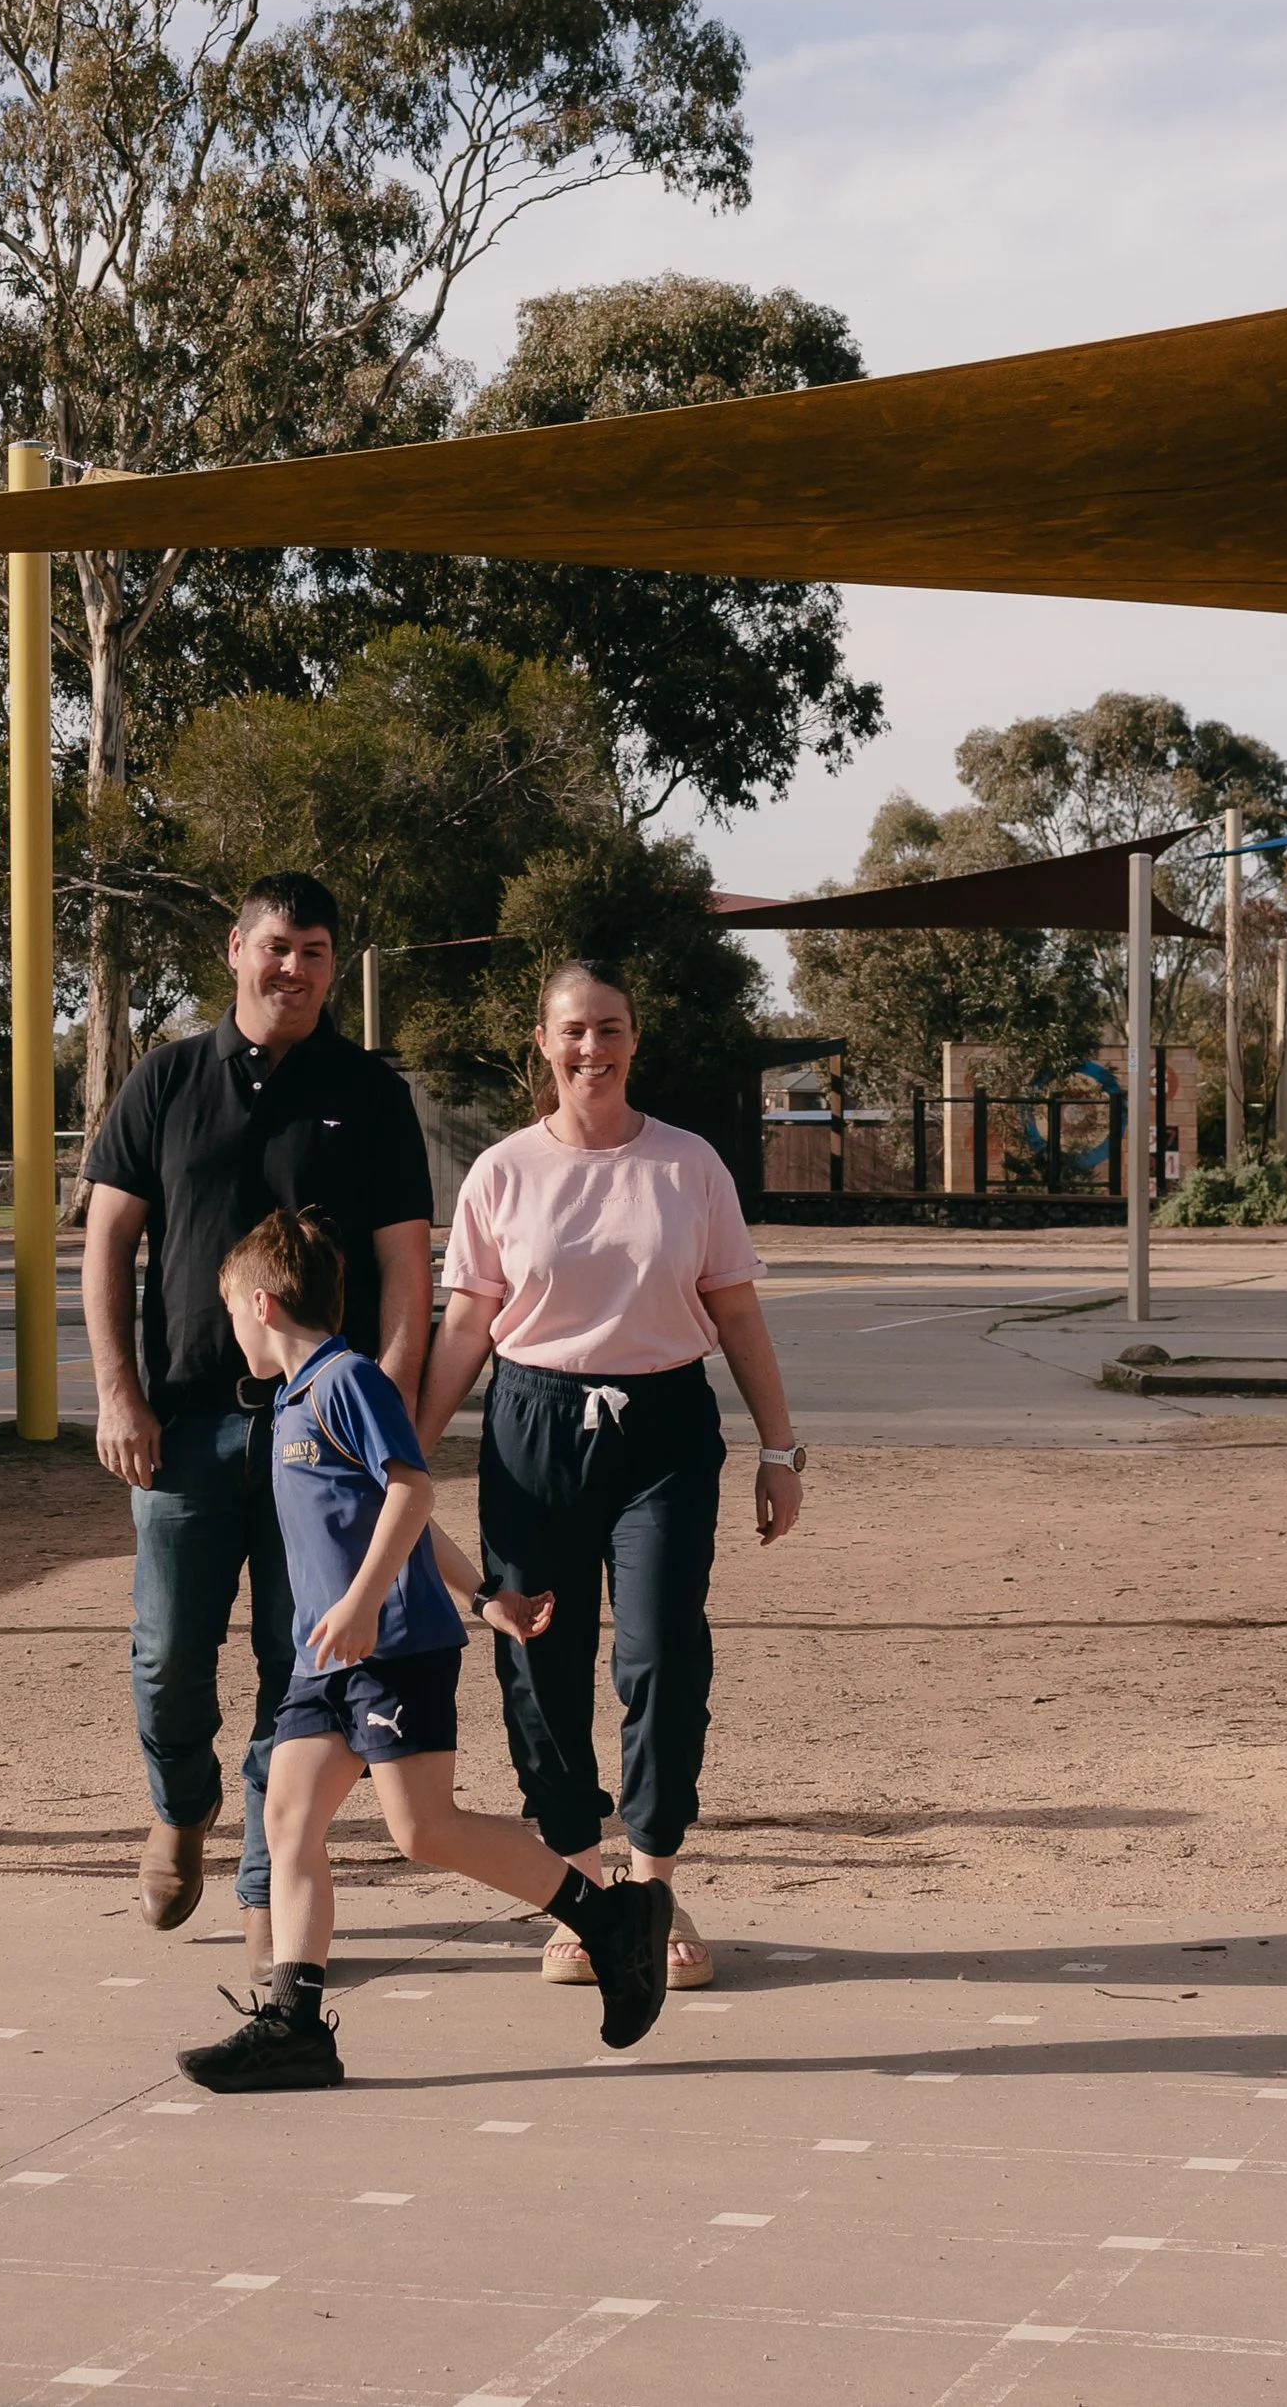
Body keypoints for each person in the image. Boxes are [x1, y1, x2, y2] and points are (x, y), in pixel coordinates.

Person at [175, 1208, 672, 2093]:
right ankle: (295, 2027)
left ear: (262, 1303)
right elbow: (392, 1513)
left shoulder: (346, 1381)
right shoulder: (293, 1398)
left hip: (393, 1648)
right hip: (325, 1656)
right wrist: (485, 1595)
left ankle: (609, 1919)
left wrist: (368, 1605)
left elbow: (410, 1489)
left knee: (424, 1830)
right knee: (287, 1820)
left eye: (229, 1313)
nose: (229, 1331)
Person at [415, 959, 805, 1995]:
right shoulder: (501, 1171)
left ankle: (654, 1881)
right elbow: (466, 1325)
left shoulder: (689, 1166)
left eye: (612, 1028)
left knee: (662, 1653)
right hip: (534, 1424)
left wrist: (778, 1448)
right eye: (574, 1030)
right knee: (538, 1654)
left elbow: (736, 1313)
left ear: (635, 1039)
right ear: (542, 1043)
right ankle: (582, 1897)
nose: (594, 1047)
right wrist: (404, 1455)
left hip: (665, 1428)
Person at [82, 871, 435, 1979]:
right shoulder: (166, 1079)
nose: (294, 968)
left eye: (316, 951)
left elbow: (403, 1271)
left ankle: (258, 1886)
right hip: (186, 1423)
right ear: (235, 949)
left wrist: (383, 1413)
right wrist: (117, 1392)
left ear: (334, 966)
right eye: (277, 946)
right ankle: (177, 1807)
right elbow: (106, 1244)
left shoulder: (370, 1092)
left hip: (319, 1441)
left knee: (302, 1668)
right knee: (166, 1651)